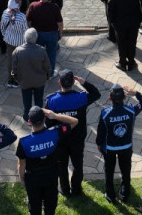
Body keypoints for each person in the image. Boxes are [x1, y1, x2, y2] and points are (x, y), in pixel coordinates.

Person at [43, 70, 100, 198]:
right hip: (77, 139)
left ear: (59, 83)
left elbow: (49, 124)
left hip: (60, 140)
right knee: (77, 165)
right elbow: (96, 94)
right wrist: (84, 82)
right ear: (74, 82)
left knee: (62, 166)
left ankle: (64, 189)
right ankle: (76, 190)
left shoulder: (52, 101)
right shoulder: (81, 97)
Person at [17, 105, 80, 215]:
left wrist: (22, 178)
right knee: (50, 206)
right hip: (51, 177)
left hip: (33, 179)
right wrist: (54, 115)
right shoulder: (55, 133)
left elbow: (22, 164)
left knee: (34, 208)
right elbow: (75, 121)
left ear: (29, 122)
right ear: (45, 119)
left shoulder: (24, 142)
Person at [96, 84, 142, 203]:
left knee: (109, 172)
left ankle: (110, 195)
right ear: (125, 97)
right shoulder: (131, 111)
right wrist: (136, 94)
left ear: (110, 98)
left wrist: (99, 144)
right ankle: (125, 194)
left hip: (109, 149)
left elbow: (101, 132)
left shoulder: (105, 113)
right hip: (126, 147)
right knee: (126, 171)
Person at [12, 28, 50, 119]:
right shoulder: (41, 50)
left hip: (24, 81)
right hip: (39, 81)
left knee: (26, 101)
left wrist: (16, 78)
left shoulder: (17, 51)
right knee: (39, 100)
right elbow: (47, 66)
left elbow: (14, 68)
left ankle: (27, 117)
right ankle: (39, 116)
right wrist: (47, 76)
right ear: (36, 38)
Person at [27, 0, 64, 74]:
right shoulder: (55, 7)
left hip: (37, 35)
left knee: (38, 53)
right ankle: (50, 73)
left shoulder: (33, 5)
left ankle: (38, 71)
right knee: (51, 54)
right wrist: (60, 32)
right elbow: (60, 23)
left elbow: (28, 21)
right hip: (52, 35)